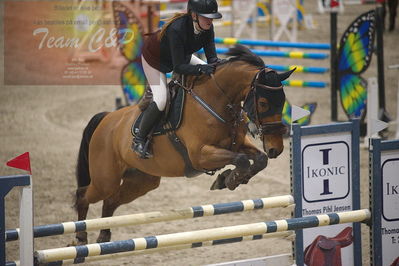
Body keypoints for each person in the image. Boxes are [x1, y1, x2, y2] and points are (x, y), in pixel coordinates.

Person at [132, 0, 223, 159]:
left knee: (214, 75)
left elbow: (212, 59)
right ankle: (138, 138)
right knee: (161, 99)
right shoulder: (177, 29)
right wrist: (201, 69)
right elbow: (179, 68)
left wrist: (219, 66)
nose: (210, 20)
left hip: (180, 57)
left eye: (212, 17)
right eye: (206, 17)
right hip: (155, 59)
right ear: (194, 15)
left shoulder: (208, 28)